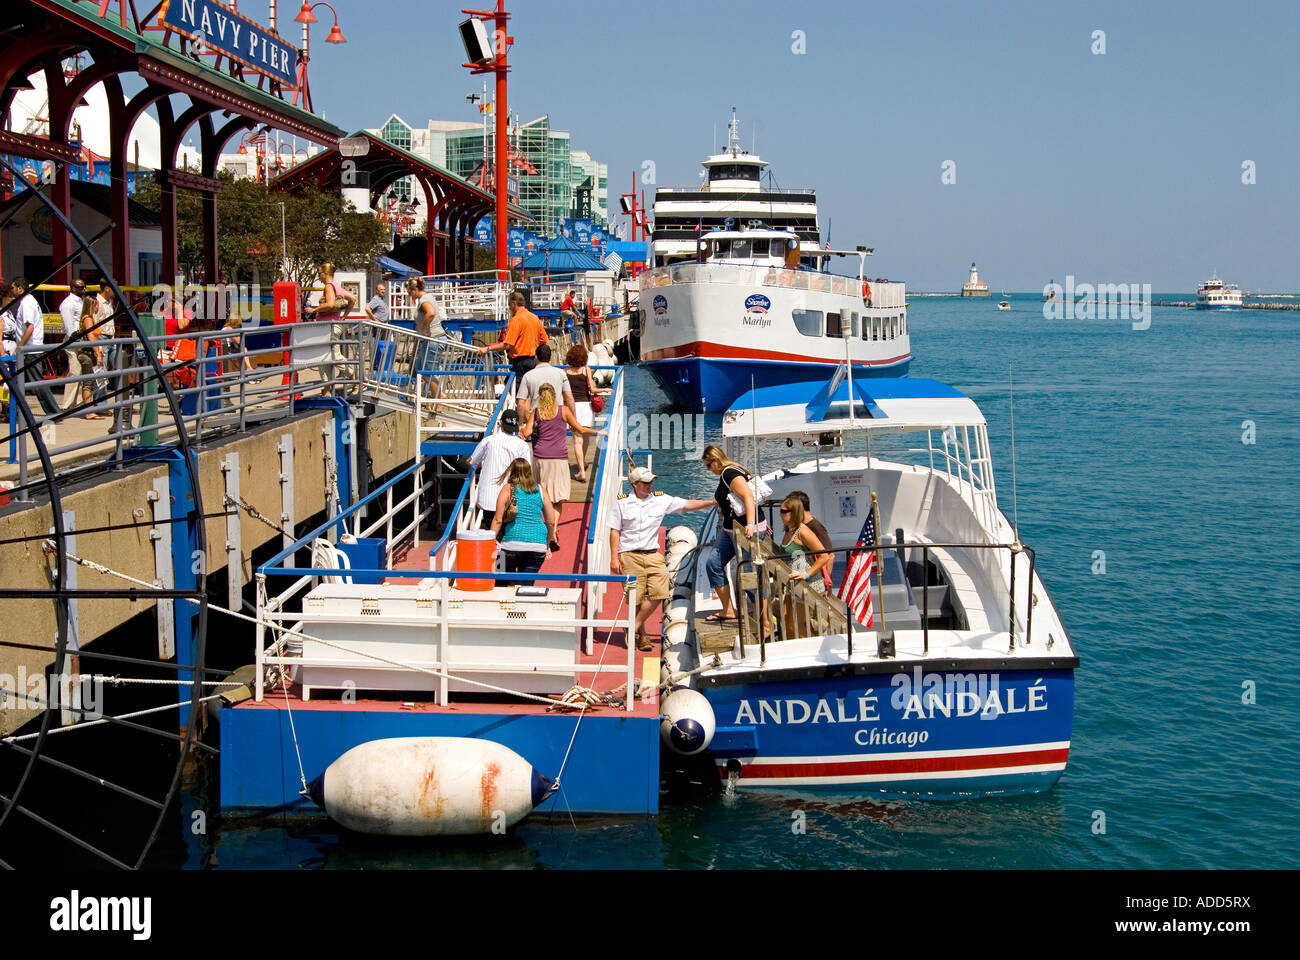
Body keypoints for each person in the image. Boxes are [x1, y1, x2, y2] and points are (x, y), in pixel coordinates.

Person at [609, 465, 714, 651]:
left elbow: (686, 504)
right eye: (645, 482)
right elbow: (615, 531)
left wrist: (712, 502)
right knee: (635, 598)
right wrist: (614, 558)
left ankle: (632, 626)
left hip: (651, 554)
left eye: (651, 482)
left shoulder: (660, 499)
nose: (649, 485)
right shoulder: (622, 503)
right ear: (634, 484)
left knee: (661, 591)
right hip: (628, 554)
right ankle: (641, 636)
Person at [525, 381, 602, 533]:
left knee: (543, 494)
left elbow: (527, 432)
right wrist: (599, 432)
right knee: (558, 498)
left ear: (540, 397)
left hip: (540, 456)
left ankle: (546, 526)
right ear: (555, 396)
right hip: (558, 457)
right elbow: (580, 428)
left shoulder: (536, 412)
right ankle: (553, 530)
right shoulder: (564, 410)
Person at [700, 444, 760, 626]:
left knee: (748, 574)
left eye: (708, 466)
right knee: (713, 564)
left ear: (716, 461)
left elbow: (749, 496)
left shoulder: (729, 473)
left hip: (742, 530)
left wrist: (751, 524)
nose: (708, 470)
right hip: (728, 529)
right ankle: (728, 610)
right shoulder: (727, 473)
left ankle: (761, 619)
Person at [490, 458, 558, 586]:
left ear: (512, 472)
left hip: (509, 545)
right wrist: (547, 543)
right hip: (537, 547)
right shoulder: (540, 490)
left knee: (499, 584)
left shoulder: (507, 489)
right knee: (525, 587)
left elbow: (498, 520)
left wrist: (490, 541)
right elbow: (551, 522)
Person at [468, 408, 530, 529]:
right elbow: (526, 471)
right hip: (511, 500)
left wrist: (472, 460)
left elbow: (472, 461)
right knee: (507, 535)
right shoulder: (522, 445)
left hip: (489, 500)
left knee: (491, 534)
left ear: (501, 424)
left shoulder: (488, 441)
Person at [10, 277, 61, 416]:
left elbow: (30, 327)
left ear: (20, 288)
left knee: (36, 383)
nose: (12, 291)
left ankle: (53, 411)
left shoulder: (26, 303)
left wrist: (19, 347)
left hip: (30, 349)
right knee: (32, 382)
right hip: (33, 347)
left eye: (13, 288)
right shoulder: (30, 301)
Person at [304, 262, 354, 395]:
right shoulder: (337, 286)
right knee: (323, 358)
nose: (318, 276)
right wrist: (344, 316)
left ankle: (355, 378)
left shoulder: (328, 286)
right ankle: (326, 389)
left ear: (325, 274)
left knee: (334, 355)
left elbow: (330, 303)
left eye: (319, 273)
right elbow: (352, 299)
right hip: (331, 325)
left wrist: (314, 309)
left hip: (329, 326)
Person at [476, 289, 547, 383]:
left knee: (516, 391)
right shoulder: (535, 317)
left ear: (514, 303)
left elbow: (508, 344)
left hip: (520, 362)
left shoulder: (516, 319)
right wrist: (530, 344)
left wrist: (487, 348)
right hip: (533, 360)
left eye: (509, 305)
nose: (509, 308)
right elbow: (544, 339)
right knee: (524, 388)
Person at [563, 343, 609, 482]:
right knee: (586, 437)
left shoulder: (566, 372)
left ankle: (581, 468)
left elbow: (564, 393)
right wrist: (605, 390)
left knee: (577, 439)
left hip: (572, 408)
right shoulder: (586, 370)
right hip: (586, 407)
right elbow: (593, 389)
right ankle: (582, 467)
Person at [776, 495, 830, 596]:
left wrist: (806, 574)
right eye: (780, 511)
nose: (780, 515)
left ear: (794, 513)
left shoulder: (803, 531)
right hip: (793, 584)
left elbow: (824, 556)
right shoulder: (789, 530)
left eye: (784, 512)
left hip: (809, 585)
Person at [516, 342, 573, 434]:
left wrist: (520, 423)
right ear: (550, 357)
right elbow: (569, 397)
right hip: (557, 417)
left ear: (536, 357)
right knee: (559, 445)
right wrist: (572, 418)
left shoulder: (528, 376)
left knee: (539, 446)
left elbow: (521, 403)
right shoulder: (561, 373)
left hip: (538, 419)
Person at [406, 278, 446, 397]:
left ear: (415, 290)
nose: (409, 296)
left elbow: (431, 313)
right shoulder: (428, 297)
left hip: (433, 339)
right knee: (419, 368)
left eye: (409, 293)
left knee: (428, 372)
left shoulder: (424, 300)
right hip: (432, 339)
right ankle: (432, 399)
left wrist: (424, 328)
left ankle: (439, 398)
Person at [789, 490, 834, 593]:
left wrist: (826, 582)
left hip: (818, 582)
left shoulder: (816, 527)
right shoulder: (799, 526)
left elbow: (830, 556)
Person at [58, 279, 86, 410]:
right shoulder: (68, 303)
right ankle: (67, 404)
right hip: (73, 339)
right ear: (72, 288)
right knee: (75, 372)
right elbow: (69, 324)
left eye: (84, 287)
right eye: (80, 287)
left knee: (81, 371)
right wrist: (75, 339)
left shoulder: (81, 300)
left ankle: (78, 402)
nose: (83, 289)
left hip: (81, 338)